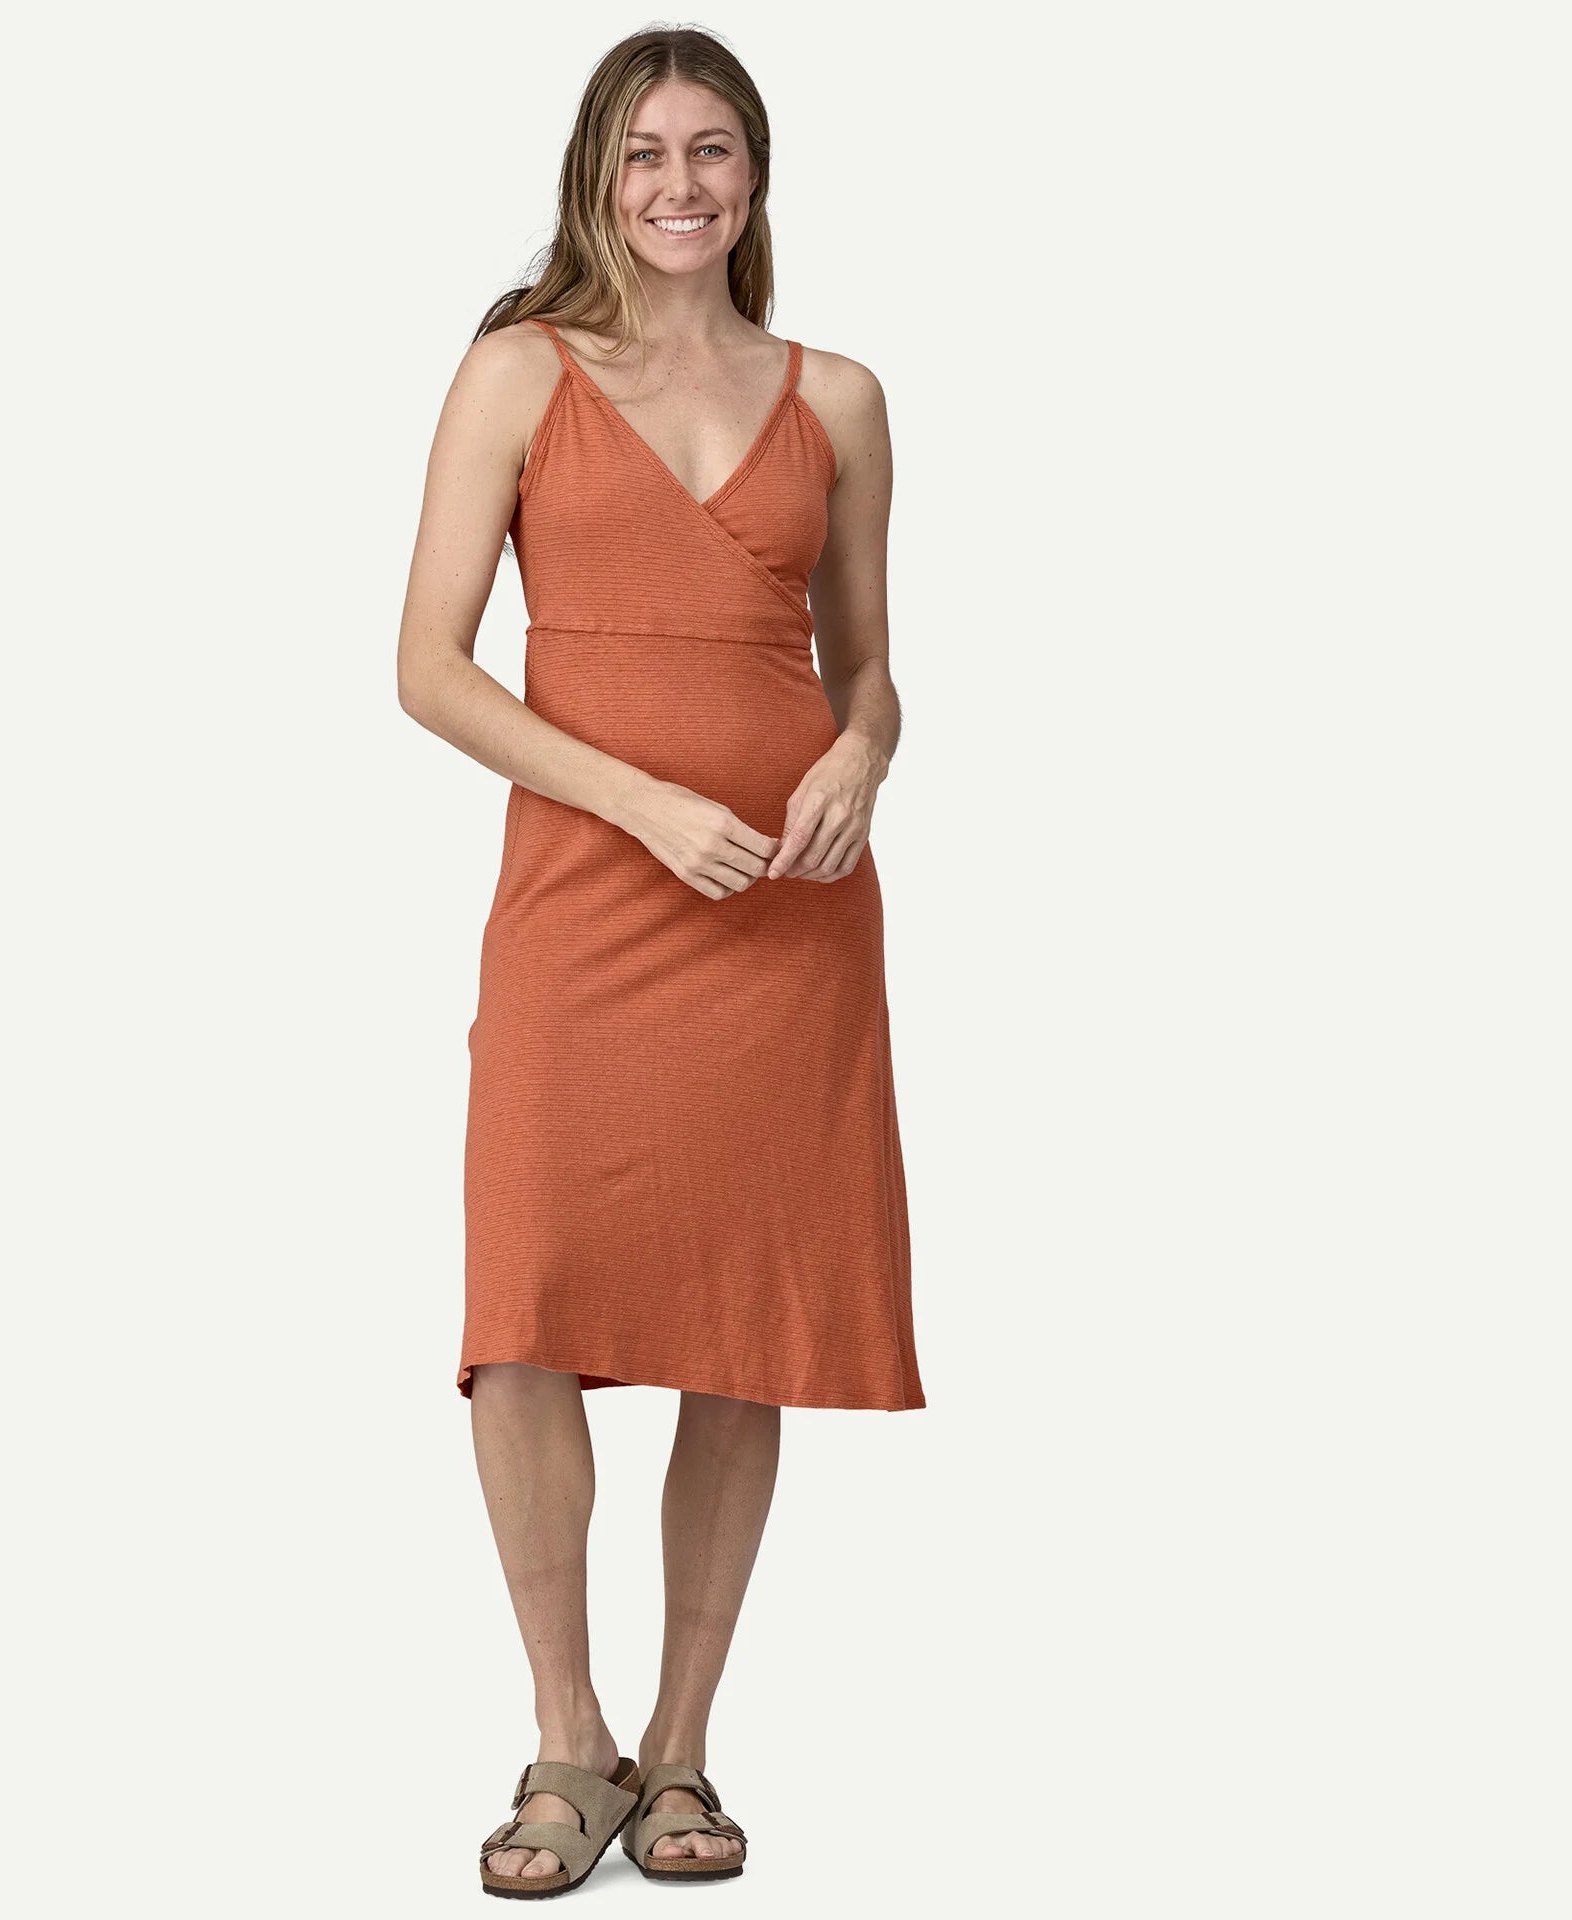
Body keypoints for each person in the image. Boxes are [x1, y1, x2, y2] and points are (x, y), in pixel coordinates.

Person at [396, 26, 925, 1897]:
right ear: (595, 177)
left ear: (755, 175)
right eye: (645, 153)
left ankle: (680, 1750)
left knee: (739, 1317)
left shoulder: (838, 394)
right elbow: (428, 667)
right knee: (526, 1306)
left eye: (712, 151)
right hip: (587, 893)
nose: (679, 185)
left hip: (786, 909)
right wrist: (636, 803)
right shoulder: (519, 371)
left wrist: (860, 753)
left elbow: (869, 664)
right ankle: (568, 1737)